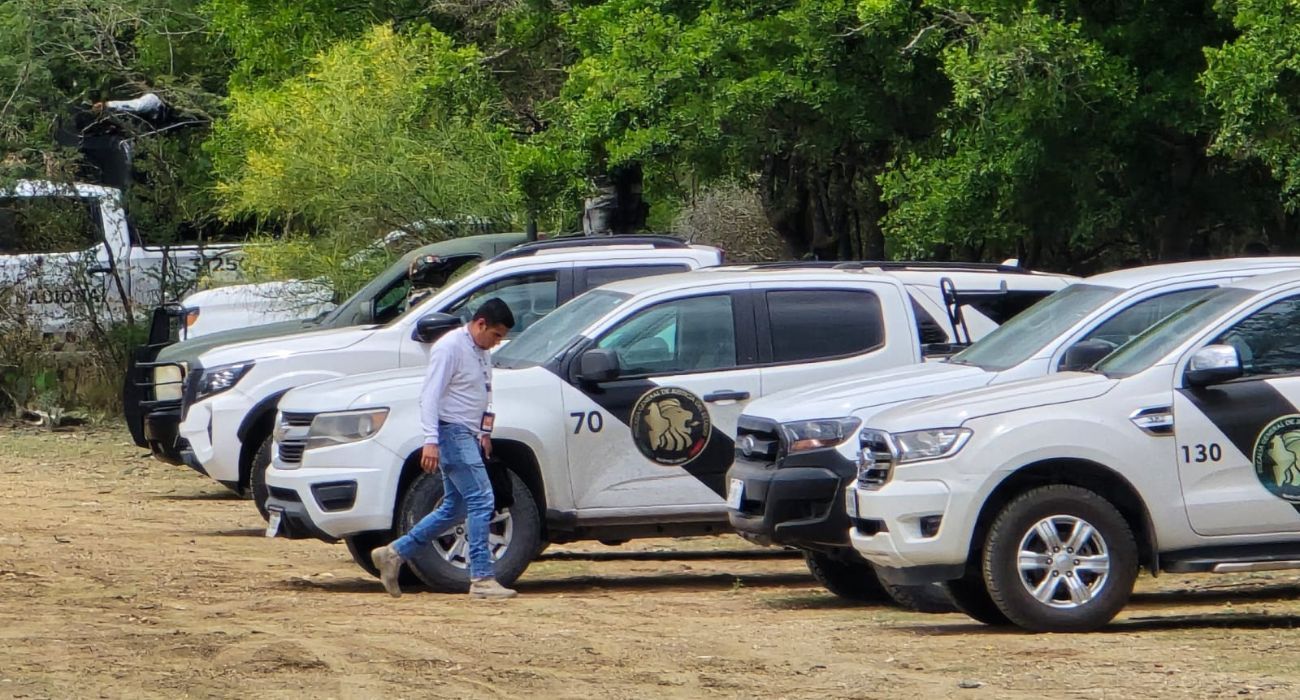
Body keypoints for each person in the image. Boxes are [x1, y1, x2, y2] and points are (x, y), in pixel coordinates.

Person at [371, 298, 516, 599]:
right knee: (481, 499)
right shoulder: (449, 348)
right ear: (480, 324)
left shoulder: (480, 350)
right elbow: (430, 395)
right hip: (452, 431)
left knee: (455, 507)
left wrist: (484, 432)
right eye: (495, 335)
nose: (496, 343)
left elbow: (483, 392)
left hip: (467, 433)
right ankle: (481, 577)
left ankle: (395, 553)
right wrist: (431, 440)